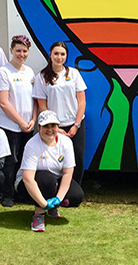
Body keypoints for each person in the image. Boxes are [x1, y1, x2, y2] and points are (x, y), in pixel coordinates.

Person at [16, 110, 85, 232]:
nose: (49, 129)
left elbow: (68, 173)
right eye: (45, 126)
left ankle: (53, 206)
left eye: (53, 125)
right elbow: (28, 178)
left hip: (54, 180)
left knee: (76, 196)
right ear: (39, 128)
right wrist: (43, 204)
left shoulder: (66, 142)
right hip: (27, 184)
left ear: (58, 127)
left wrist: (58, 198)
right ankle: (39, 215)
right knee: (47, 179)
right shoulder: (32, 144)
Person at [33, 42, 87, 185]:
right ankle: (57, 189)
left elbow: (82, 101)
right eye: (56, 53)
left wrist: (76, 124)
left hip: (75, 124)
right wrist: (56, 128)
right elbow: (42, 106)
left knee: (77, 158)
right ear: (50, 54)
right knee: (56, 159)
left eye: (62, 54)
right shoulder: (41, 77)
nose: (59, 57)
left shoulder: (73, 73)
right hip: (53, 127)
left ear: (66, 56)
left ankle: (74, 189)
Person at [0, 35, 38, 207]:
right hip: (10, 125)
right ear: (11, 51)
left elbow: (35, 98)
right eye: (18, 51)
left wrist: (34, 119)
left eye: (25, 51)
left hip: (28, 126)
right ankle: (6, 194)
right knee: (10, 160)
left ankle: (22, 192)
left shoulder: (29, 71)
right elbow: (3, 102)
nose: (21, 54)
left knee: (25, 160)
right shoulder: (4, 71)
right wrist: (20, 122)